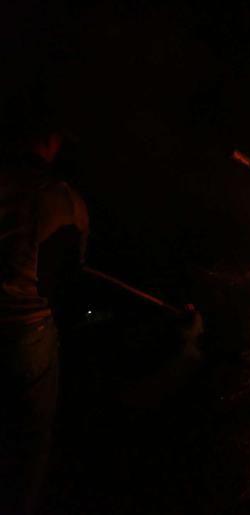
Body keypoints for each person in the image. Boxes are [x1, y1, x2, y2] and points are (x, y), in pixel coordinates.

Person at [0, 99, 89, 514]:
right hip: (25, 335)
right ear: (51, 142)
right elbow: (66, 285)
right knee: (27, 448)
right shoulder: (61, 199)